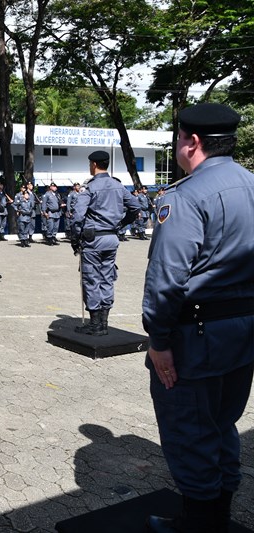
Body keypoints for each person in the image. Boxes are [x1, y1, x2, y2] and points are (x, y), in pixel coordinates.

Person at [143, 103, 254, 533]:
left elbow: (167, 280)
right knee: (223, 423)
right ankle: (219, 518)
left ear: (191, 142)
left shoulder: (185, 196)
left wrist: (160, 340)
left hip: (196, 337)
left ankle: (199, 525)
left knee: (191, 430)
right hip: (243, 334)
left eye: (177, 140)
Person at [71, 150, 138, 335]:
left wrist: (75, 238)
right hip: (112, 238)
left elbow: (78, 216)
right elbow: (136, 207)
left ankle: (95, 324)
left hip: (93, 239)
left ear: (93, 164)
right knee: (107, 277)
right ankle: (104, 323)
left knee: (91, 278)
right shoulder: (118, 185)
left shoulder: (90, 187)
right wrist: (121, 224)